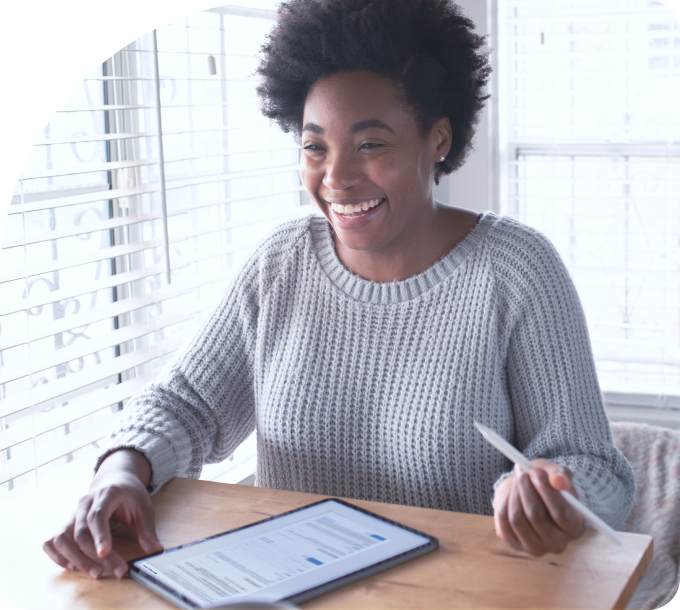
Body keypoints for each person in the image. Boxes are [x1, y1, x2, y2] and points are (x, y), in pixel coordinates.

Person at [44, 0, 635, 581]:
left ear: (438, 139)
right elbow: (186, 405)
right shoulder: (280, 265)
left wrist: (551, 489)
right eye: (314, 146)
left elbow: (596, 468)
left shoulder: (516, 271)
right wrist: (122, 471)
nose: (337, 178)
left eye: (371, 145)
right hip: (290, 592)